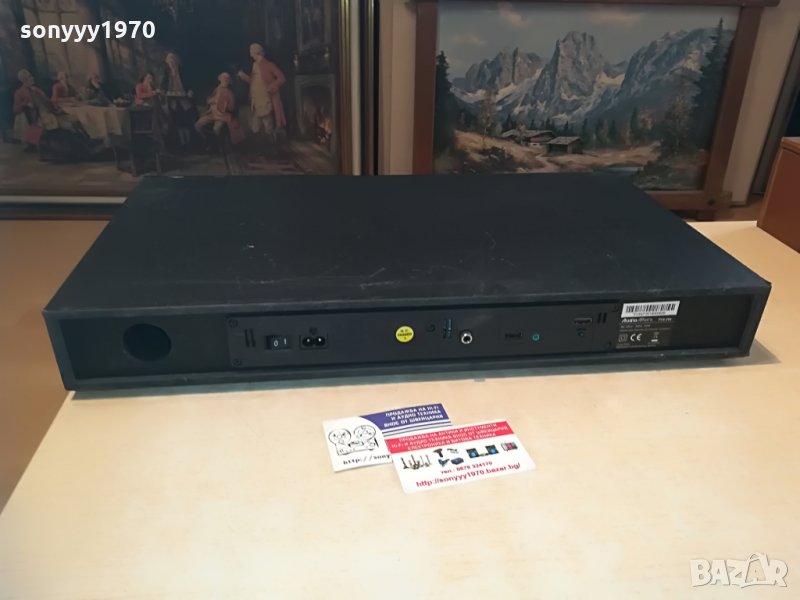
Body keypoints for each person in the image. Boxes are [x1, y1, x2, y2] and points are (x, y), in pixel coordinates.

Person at [237, 43, 286, 139]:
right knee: (255, 127)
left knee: (267, 124)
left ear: (257, 52)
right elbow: (254, 82)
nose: (251, 55)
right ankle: (261, 145)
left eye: (251, 52)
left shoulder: (268, 65)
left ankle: (271, 143)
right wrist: (244, 77)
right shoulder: (255, 65)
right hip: (257, 101)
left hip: (265, 100)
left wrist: (271, 87)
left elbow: (281, 78)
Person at [194, 72, 244, 144]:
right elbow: (208, 100)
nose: (225, 81)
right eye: (224, 79)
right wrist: (212, 101)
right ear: (219, 79)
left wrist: (224, 105)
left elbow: (232, 107)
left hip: (223, 116)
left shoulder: (230, 92)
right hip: (212, 113)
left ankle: (217, 145)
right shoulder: (216, 89)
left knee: (216, 129)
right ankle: (206, 141)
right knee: (198, 125)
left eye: (227, 79)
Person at [159, 52, 196, 147]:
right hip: (173, 101)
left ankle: (189, 142)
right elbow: (163, 84)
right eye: (169, 62)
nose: (171, 63)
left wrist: (189, 91)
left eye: (172, 61)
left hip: (184, 100)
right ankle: (182, 142)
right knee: (177, 121)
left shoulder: (182, 71)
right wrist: (163, 91)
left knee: (186, 121)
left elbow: (189, 83)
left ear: (176, 61)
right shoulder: (167, 72)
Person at [13, 69, 50, 146]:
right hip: (30, 116)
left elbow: (46, 100)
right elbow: (16, 109)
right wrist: (24, 103)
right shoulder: (19, 92)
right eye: (30, 77)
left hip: (41, 111)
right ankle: (34, 142)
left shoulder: (35, 89)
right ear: (24, 80)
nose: (32, 78)